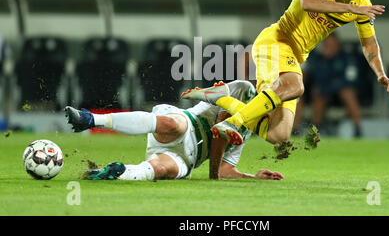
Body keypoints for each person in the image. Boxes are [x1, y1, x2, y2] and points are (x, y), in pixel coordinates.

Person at [181, 0, 389, 145]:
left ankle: (222, 98)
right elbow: (307, 2)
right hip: (275, 42)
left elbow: (369, 42)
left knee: (279, 134)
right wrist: (349, 9)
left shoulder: (361, 3)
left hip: (293, 57)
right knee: (295, 86)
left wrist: (380, 73)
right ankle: (232, 123)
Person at [64, 80, 283, 181]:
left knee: (160, 169)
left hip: (188, 157)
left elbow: (226, 171)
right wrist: (213, 175)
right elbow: (220, 130)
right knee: (173, 125)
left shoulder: (246, 133)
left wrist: (253, 177)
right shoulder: (244, 91)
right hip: (188, 124)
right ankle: (90, 118)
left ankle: (117, 173)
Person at [306, 33, 363, 137]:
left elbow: (350, 80)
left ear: (337, 45)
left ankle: (357, 129)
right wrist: (326, 61)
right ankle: (315, 130)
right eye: (326, 45)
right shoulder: (320, 60)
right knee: (317, 94)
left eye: (331, 45)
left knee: (347, 93)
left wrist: (332, 85)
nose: (329, 48)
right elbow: (317, 80)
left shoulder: (348, 59)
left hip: (341, 92)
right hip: (326, 93)